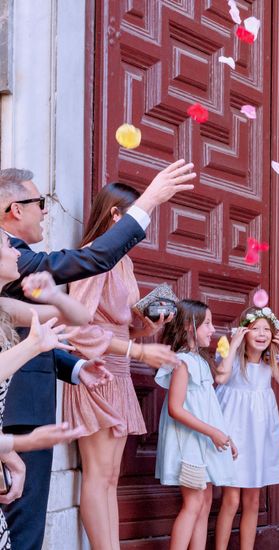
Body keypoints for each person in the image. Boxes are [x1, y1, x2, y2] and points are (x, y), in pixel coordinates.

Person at [0, 160, 195, 549]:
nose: (46, 211)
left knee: (95, 485)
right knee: (35, 515)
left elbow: (51, 323)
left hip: (68, 383)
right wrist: (152, 198)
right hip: (25, 403)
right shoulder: (22, 260)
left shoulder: (25, 270)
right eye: (42, 202)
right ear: (15, 209)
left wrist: (142, 327)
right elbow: (78, 317)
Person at [63, 182, 182, 550]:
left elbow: (127, 322)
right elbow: (76, 328)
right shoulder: (94, 257)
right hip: (95, 370)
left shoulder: (124, 261)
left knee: (111, 475)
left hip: (120, 369)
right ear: (116, 215)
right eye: (138, 217)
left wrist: (151, 322)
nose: (143, 229)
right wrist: (138, 350)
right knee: (98, 475)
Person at [0, 232, 99, 548]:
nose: (17, 254)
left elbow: (79, 318)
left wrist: (54, 295)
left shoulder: (5, 307)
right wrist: (22, 442)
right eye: (6, 246)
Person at [214, 305, 279, 550]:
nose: (262, 334)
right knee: (230, 500)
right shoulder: (229, 356)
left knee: (252, 501)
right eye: (255, 329)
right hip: (233, 432)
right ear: (244, 331)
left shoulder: (270, 363)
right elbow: (220, 376)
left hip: (258, 435)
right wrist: (234, 343)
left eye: (267, 329)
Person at [155, 300, 237, 550]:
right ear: (190, 326)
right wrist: (212, 432)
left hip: (204, 441)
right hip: (189, 443)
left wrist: (224, 435)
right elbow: (175, 408)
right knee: (192, 505)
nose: (213, 330)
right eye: (208, 324)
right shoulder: (182, 362)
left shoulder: (200, 360)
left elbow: (208, 407)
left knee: (205, 503)